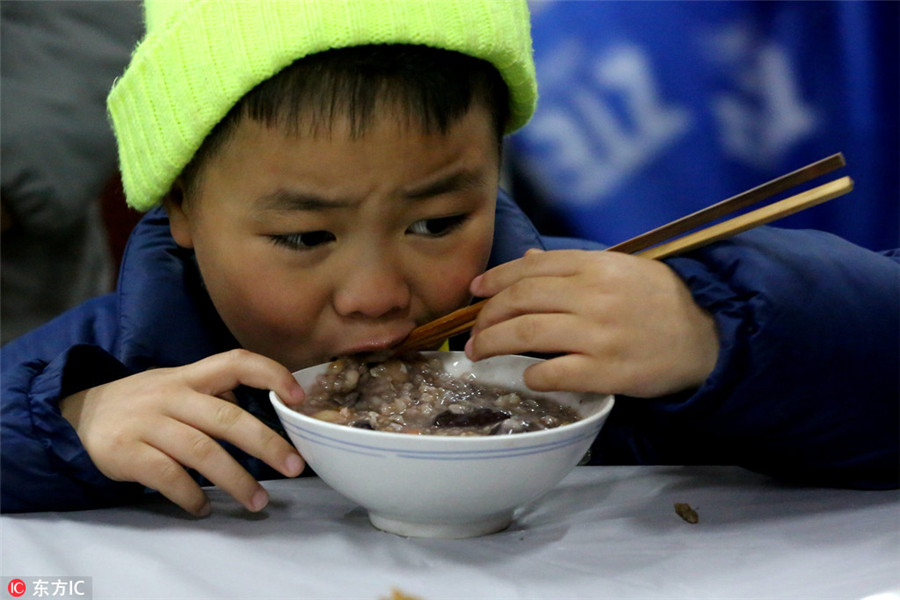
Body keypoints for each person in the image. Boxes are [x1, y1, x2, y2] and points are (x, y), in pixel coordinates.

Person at [1, 0, 897, 517]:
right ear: (182, 210)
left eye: (435, 221)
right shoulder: (115, 366)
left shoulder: (593, 346)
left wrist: (718, 335)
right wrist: (68, 426)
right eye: (307, 238)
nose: (377, 296)